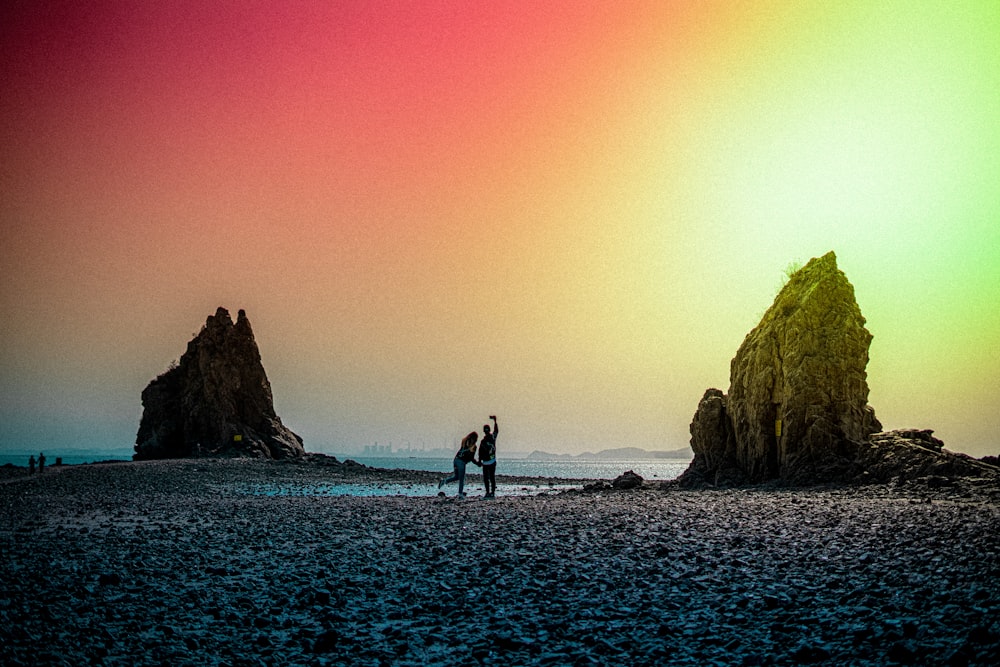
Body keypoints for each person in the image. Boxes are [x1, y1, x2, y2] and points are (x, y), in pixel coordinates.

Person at [439, 432, 478, 498]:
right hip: (461, 462)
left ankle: (444, 481)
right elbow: (471, 458)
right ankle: (460, 494)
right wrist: (478, 464)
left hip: (456, 460)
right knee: (461, 478)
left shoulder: (464, 441)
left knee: (457, 477)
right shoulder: (473, 446)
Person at [477, 415, 498, 498]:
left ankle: (489, 492)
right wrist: (495, 421)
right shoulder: (487, 440)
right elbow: (480, 452)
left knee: (488, 478)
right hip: (488, 461)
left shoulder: (485, 440)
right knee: (490, 477)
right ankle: (490, 492)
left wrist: (479, 461)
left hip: (489, 461)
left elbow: (480, 452)